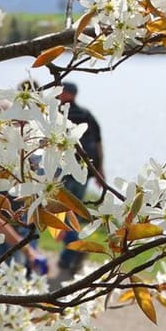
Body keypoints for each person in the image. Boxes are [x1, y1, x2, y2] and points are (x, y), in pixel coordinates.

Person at [54, 82, 104, 280]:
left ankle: (75, 250)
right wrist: (100, 171)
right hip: (85, 171)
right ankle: (69, 257)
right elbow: (99, 144)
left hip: (64, 172)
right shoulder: (87, 115)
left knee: (63, 215)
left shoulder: (58, 114)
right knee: (73, 214)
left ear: (66, 93)